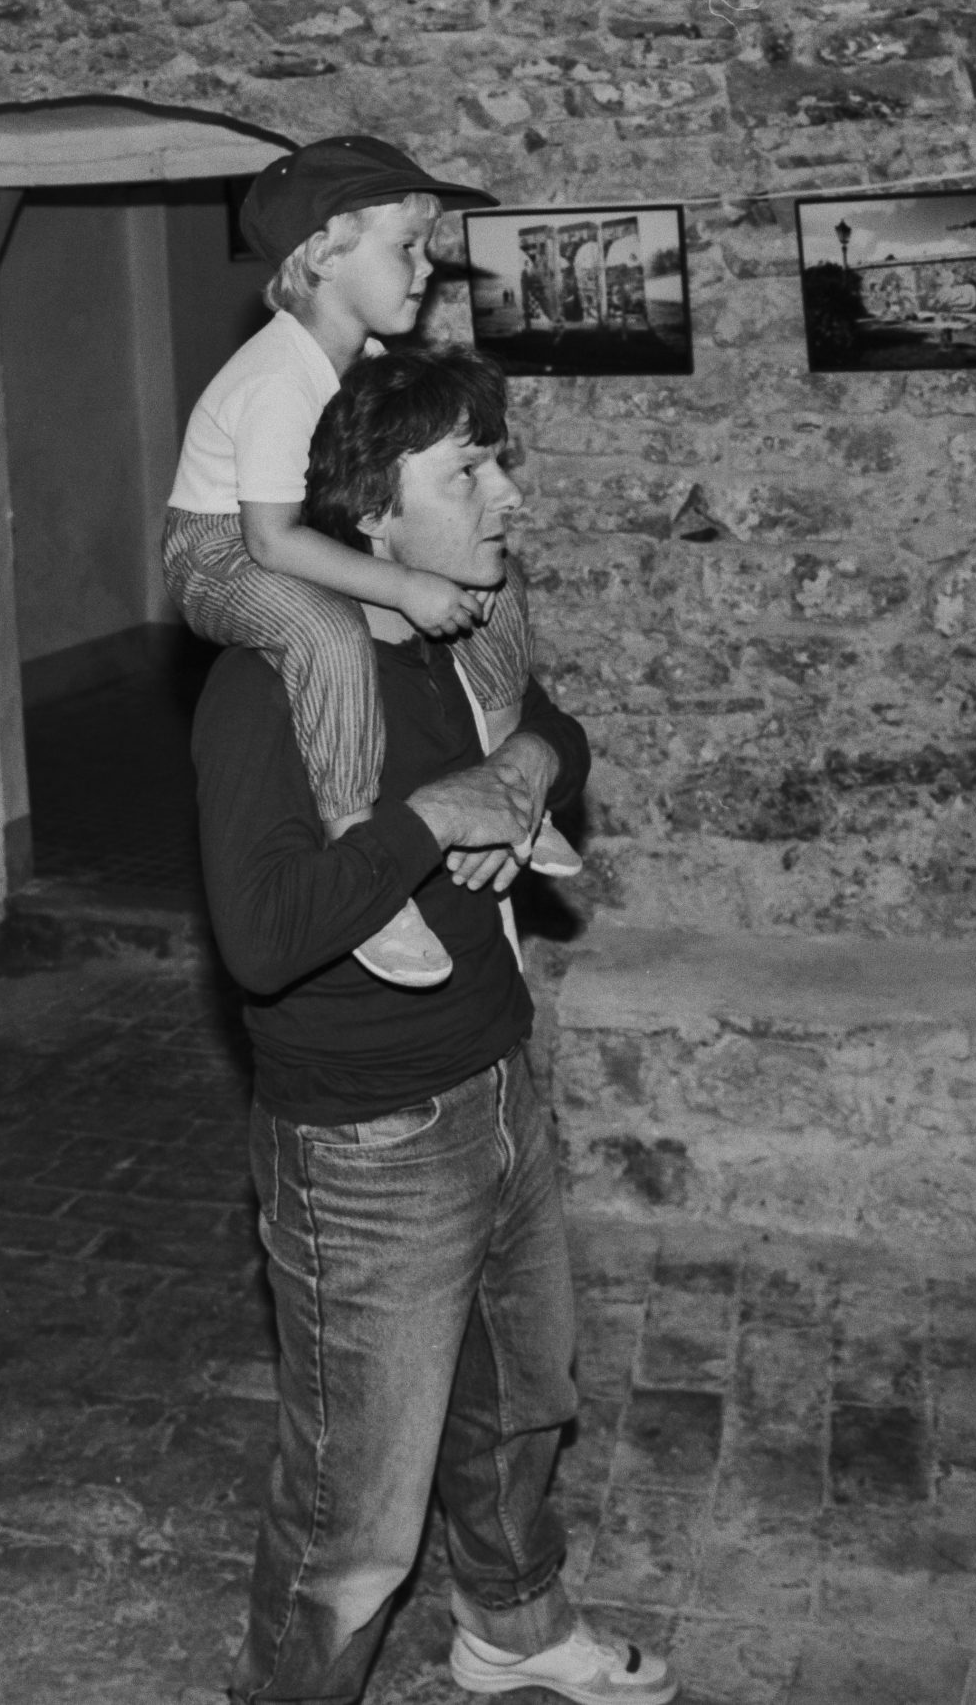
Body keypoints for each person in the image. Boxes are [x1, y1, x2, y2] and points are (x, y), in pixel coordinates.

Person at [194, 344, 675, 1705]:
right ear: (372, 513)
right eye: (468, 471)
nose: (506, 492)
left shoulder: (460, 638)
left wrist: (518, 768)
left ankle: (510, 1625)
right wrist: (425, 820)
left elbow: (558, 734)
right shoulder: (267, 685)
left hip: (496, 1081)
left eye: (499, 461)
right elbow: (261, 936)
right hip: (366, 1144)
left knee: (522, 1403)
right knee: (354, 1515)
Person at [165, 136, 575, 993]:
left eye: (427, 248)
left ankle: (508, 786)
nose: (426, 269)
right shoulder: (280, 375)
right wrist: (404, 585)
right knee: (325, 631)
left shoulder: (370, 364)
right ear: (324, 253)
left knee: (491, 586)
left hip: (308, 533)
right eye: (407, 247)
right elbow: (270, 542)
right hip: (221, 554)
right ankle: (360, 847)